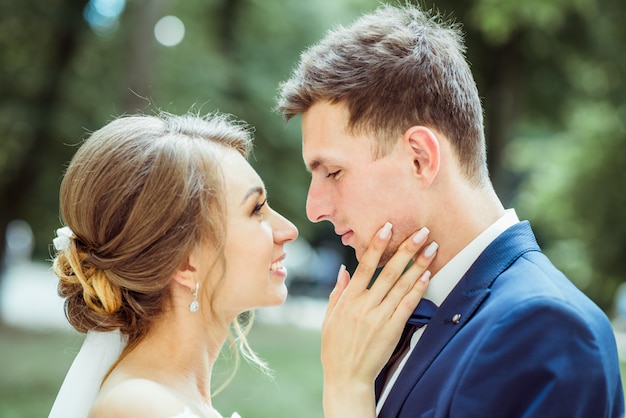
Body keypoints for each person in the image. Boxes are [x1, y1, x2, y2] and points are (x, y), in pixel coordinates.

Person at [277, 4, 624, 418]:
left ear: (420, 158)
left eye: (333, 172)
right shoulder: (391, 325)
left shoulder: (548, 329)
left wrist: (346, 392)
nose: (314, 209)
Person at [48, 111, 438, 418]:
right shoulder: (137, 407)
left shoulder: (167, 398)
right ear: (185, 261)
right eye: (256, 210)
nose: (288, 229)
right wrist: (347, 387)